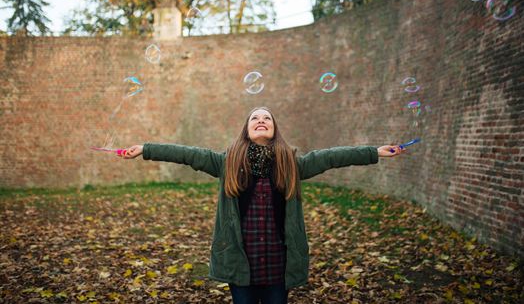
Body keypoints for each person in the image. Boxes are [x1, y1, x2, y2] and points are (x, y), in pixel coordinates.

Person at [122, 106, 404, 304]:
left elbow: (330, 157)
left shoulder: (291, 164)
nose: (260, 120)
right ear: (246, 129)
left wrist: (374, 152)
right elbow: (185, 153)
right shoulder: (227, 162)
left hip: (277, 266)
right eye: (254, 117)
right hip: (240, 264)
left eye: (266, 118)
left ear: (274, 129)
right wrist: (145, 149)